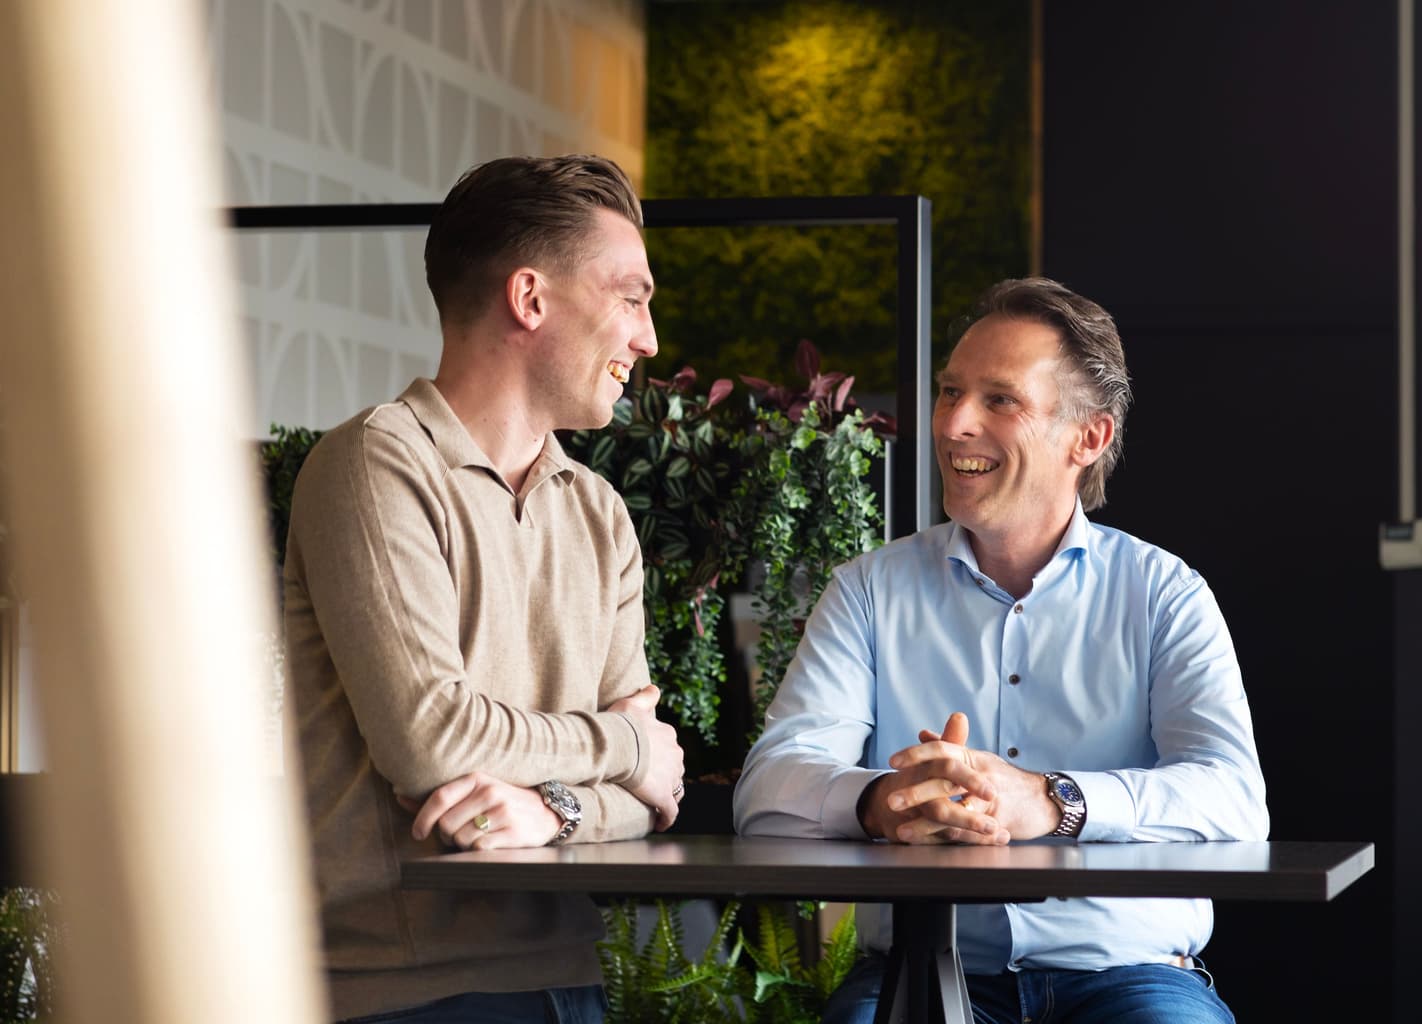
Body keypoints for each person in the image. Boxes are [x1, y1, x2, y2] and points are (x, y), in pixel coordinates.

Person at [733, 277, 1268, 1024]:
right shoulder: (868, 590)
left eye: (999, 400)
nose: (953, 424)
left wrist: (1052, 800)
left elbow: (1233, 800)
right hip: (925, 965)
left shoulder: (1165, 594)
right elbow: (768, 790)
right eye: (950, 392)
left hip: (1130, 977)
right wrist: (884, 803)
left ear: (1090, 438)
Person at [284, 154, 686, 1024]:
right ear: (531, 298)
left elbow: (655, 800)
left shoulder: (600, 512)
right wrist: (627, 745)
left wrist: (557, 812)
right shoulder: (374, 463)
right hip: (404, 989)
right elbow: (432, 741)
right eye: (631, 297)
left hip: (569, 976)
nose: (648, 338)